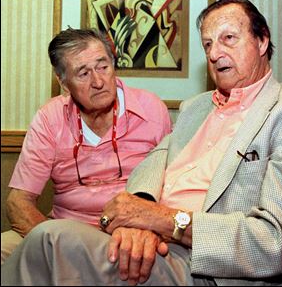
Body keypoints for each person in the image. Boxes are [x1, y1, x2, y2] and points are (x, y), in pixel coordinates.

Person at [1, 0, 282, 286]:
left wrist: (165, 222)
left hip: (207, 264)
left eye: (229, 38)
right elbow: (154, 163)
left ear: (262, 41)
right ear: (63, 83)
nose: (214, 53)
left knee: (49, 242)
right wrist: (142, 211)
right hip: (145, 239)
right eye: (207, 44)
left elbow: (278, 244)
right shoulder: (196, 107)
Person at [0, 28, 172, 264]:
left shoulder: (151, 109)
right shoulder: (49, 118)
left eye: (103, 66)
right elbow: (17, 202)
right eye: (83, 73)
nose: (99, 81)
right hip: (66, 233)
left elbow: (174, 186)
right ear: (63, 82)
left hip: (130, 233)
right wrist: (57, 247)